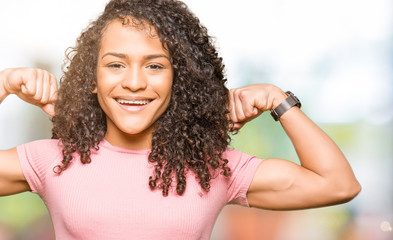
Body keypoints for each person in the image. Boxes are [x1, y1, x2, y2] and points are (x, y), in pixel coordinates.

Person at [0, 0, 361, 239]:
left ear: (179, 79)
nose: (135, 82)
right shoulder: (53, 159)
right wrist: (3, 83)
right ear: (92, 79)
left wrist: (277, 100)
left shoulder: (212, 167)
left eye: (155, 65)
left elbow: (338, 185)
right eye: (115, 64)